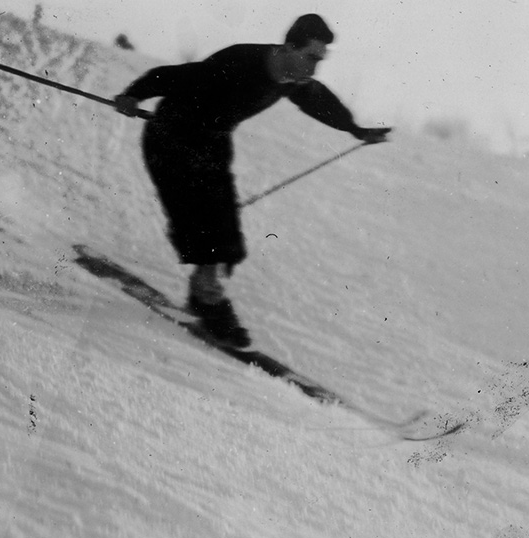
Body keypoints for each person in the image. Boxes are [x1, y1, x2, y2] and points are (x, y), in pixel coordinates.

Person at [114, 14, 391, 348]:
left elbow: (318, 99)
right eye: (311, 58)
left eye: (319, 60)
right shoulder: (239, 62)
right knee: (196, 222)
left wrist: (354, 128)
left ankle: (205, 296)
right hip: (171, 138)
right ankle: (209, 301)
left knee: (226, 231)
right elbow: (174, 76)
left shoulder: (291, 76)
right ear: (290, 46)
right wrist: (133, 95)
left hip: (212, 144)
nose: (314, 69)